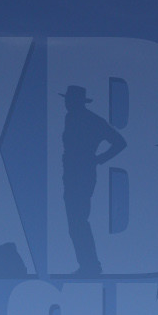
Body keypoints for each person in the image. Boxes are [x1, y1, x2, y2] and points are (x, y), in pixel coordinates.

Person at [60, 85, 127, 277]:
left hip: (82, 174)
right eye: (67, 100)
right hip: (71, 174)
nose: (67, 103)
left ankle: (91, 266)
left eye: (70, 100)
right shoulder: (70, 117)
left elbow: (120, 142)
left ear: (77, 101)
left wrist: (99, 159)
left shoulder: (91, 120)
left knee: (78, 220)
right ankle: (87, 265)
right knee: (75, 222)